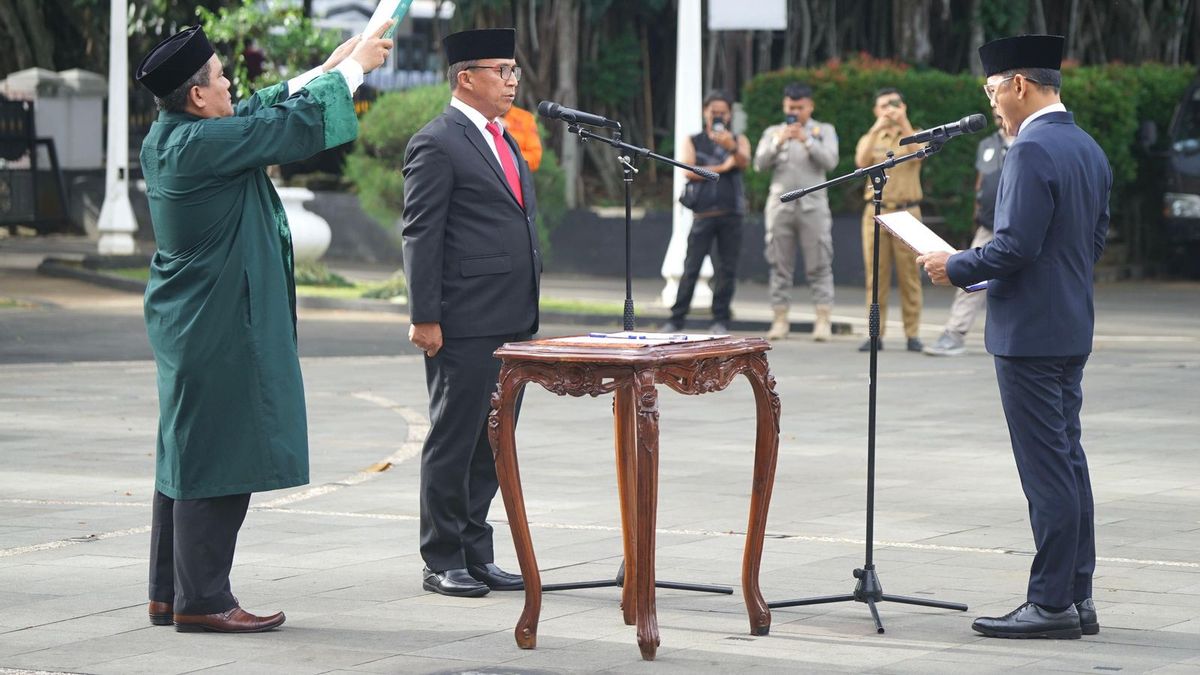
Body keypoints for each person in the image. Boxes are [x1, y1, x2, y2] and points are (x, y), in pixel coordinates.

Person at [137, 23, 393, 632]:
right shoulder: (198, 145)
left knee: (185, 451)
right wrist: (353, 74)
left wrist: (327, 70)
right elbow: (276, 127)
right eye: (221, 76)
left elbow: (254, 111)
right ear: (198, 96)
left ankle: (169, 592)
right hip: (217, 323)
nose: (230, 84)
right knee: (218, 454)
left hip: (196, 320)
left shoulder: (173, 136)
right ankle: (203, 601)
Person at [918, 34, 1110, 640]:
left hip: (1028, 332)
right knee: (1068, 463)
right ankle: (1077, 597)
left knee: (1047, 471)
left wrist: (957, 266)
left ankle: (1051, 604)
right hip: (1069, 323)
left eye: (993, 89)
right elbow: (1093, 241)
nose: (993, 102)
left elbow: (1015, 246)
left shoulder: (1029, 151)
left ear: (1019, 84)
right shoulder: (1087, 147)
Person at [402, 28, 539, 598]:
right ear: (466, 78)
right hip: (463, 320)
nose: (511, 81)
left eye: (514, 71)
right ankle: (442, 558)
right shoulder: (437, 140)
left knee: (493, 441)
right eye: (501, 70)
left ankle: (477, 554)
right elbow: (421, 232)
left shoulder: (503, 137)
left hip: (511, 319)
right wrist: (425, 315)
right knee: (454, 439)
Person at [754, 82, 839, 342]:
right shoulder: (773, 132)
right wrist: (780, 141)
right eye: (791, 107)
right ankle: (780, 319)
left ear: (810, 106)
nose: (795, 112)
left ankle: (823, 319)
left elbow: (831, 161)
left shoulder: (823, 130)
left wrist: (808, 141)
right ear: (784, 105)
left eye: (800, 107)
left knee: (820, 263)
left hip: (813, 207)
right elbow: (759, 164)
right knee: (779, 264)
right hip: (780, 207)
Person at [924, 115, 1014, 356]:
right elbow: (981, 181)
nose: (998, 115)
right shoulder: (988, 144)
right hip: (988, 224)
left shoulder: (1029, 141)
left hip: (1016, 224)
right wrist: (977, 212)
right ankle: (954, 333)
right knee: (970, 277)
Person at [662, 90, 751, 335]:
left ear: (730, 115)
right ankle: (676, 317)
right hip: (702, 214)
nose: (718, 116)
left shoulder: (738, 139)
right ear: (705, 113)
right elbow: (688, 169)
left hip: (731, 213)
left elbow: (744, 161)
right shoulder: (694, 140)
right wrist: (722, 166)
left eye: (722, 113)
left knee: (727, 269)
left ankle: (721, 318)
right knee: (691, 267)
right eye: (714, 112)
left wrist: (730, 146)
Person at [854, 88, 925, 352]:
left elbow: (919, 153)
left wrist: (903, 121)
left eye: (895, 104)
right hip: (876, 212)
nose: (889, 110)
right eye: (884, 105)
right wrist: (877, 127)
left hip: (907, 212)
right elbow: (861, 161)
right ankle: (875, 333)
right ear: (875, 110)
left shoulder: (913, 132)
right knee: (876, 275)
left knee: (910, 276)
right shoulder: (872, 137)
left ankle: (912, 333)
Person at [502, 104, 543, 171]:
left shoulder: (525, 118)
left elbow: (535, 158)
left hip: (516, 175)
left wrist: (506, 157)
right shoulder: (482, 116)